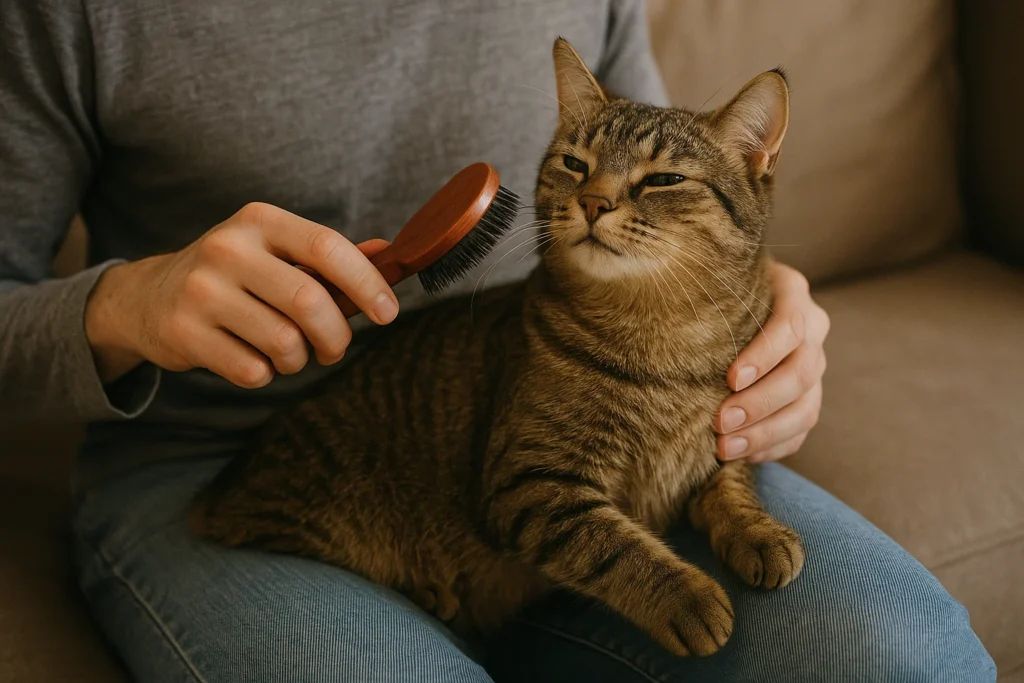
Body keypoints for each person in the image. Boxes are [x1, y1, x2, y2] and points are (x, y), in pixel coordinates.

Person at [0, 1, 995, 681]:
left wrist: (764, 302)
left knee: (907, 651)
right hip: (228, 471)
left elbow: (656, 152)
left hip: (577, 406)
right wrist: (122, 305)